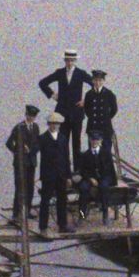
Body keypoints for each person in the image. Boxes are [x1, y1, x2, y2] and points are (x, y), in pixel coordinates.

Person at [38, 48, 90, 212]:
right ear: (64, 61)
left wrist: (85, 100)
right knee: (62, 143)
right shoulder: (60, 73)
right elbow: (42, 83)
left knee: (76, 142)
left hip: (76, 113)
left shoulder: (81, 73)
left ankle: (77, 171)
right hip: (62, 114)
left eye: (71, 60)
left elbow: (94, 84)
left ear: (75, 61)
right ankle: (66, 171)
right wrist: (53, 95)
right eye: (67, 60)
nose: (69, 63)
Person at [82, 68, 122, 223]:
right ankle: (82, 214)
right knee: (91, 157)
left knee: (104, 157)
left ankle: (106, 181)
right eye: (95, 80)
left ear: (103, 81)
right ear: (92, 81)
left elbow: (114, 110)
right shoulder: (89, 94)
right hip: (93, 128)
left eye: (100, 80)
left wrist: (105, 120)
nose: (97, 82)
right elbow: (87, 110)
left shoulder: (109, 94)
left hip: (104, 130)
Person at [4, 104, 43, 225]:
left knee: (30, 187)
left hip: (31, 162)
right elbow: (9, 143)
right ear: (26, 115)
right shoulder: (19, 128)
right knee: (20, 187)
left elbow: (38, 143)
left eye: (33, 116)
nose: (31, 118)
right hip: (20, 163)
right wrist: (19, 149)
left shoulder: (36, 127)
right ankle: (16, 214)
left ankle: (27, 211)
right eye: (29, 115)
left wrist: (32, 150)